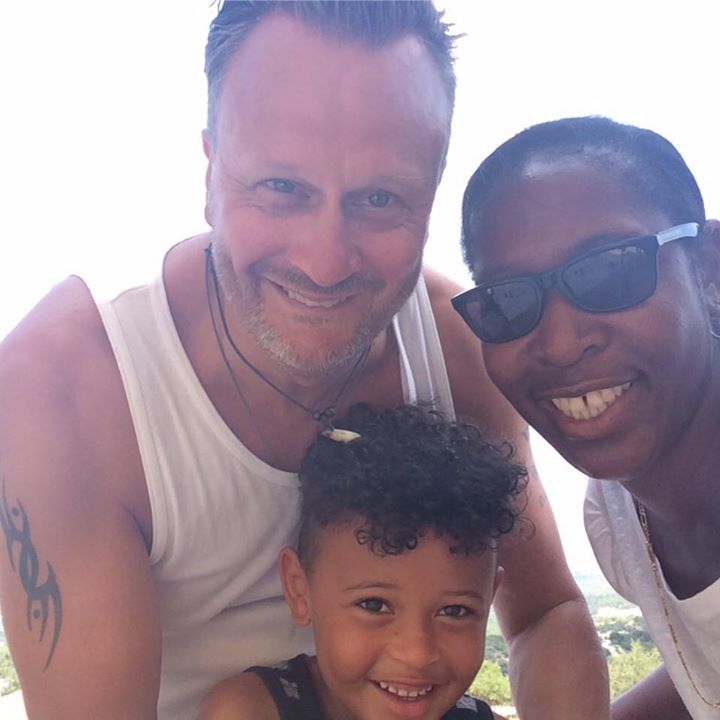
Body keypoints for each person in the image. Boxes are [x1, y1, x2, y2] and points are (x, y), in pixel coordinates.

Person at [0, 4, 608, 719]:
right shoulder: (66, 392)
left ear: (431, 194)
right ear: (210, 172)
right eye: (282, 187)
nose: (324, 263)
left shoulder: (455, 346)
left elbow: (543, 614)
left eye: (380, 198)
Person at [453, 115, 720, 719]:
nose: (560, 343)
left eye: (610, 270)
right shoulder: (618, 516)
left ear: (709, 269)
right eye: (509, 301)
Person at [200, 403, 526, 720]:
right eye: (374, 605)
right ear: (300, 589)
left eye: (455, 611)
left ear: (489, 599)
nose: (417, 653)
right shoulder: (250, 710)